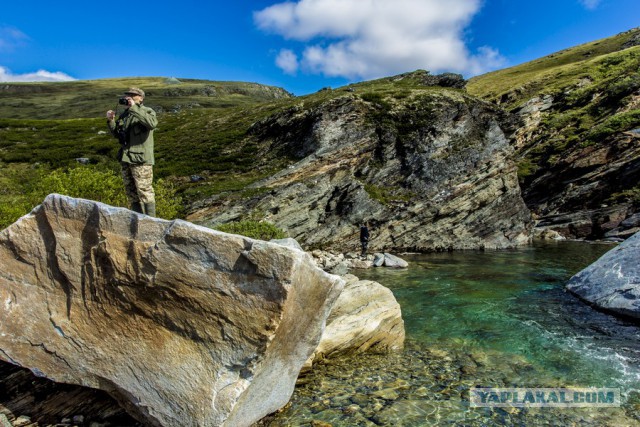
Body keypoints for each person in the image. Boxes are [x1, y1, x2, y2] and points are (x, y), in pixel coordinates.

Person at [106, 87, 157, 216]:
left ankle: (152, 222)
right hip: (126, 158)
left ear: (141, 98)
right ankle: (138, 218)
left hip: (141, 159)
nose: (129, 97)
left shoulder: (147, 111)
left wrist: (134, 108)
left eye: (133, 95)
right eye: (127, 95)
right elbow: (118, 135)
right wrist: (111, 121)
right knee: (131, 192)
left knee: (144, 190)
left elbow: (151, 123)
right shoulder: (125, 116)